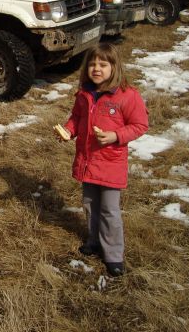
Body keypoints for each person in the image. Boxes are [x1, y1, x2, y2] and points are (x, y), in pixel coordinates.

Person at [57, 43, 148, 276]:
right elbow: (77, 118)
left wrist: (116, 135)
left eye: (103, 64)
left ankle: (114, 254)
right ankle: (94, 240)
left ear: (114, 67)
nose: (96, 68)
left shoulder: (127, 96)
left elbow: (139, 125)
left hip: (110, 163)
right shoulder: (85, 94)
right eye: (92, 64)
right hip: (88, 161)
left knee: (109, 209)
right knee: (90, 204)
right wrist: (69, 130)